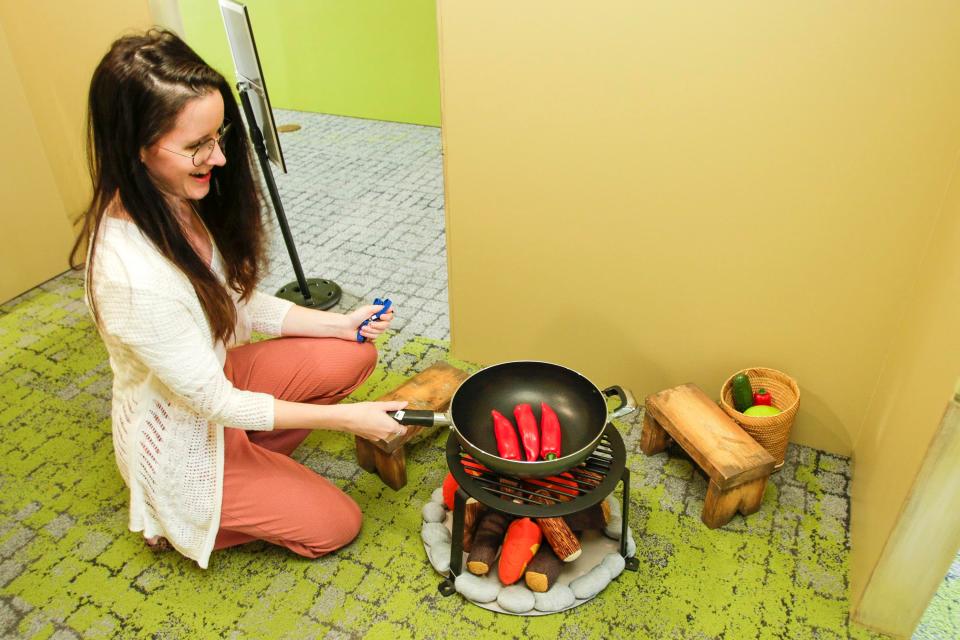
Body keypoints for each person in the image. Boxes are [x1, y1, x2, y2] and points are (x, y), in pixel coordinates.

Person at [71, 29, 408, 569]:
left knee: (354, 353)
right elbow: (214, 404)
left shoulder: (172, 196)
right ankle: (175, 515)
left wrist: (339, 324)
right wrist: (352, 420)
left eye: (218, 135)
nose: (220, 157)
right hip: (185, 430)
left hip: (213, 383)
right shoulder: (130, 276)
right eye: (196, 146)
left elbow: (233, 303)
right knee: (337, 525)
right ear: (135, 147)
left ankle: (250, 461)